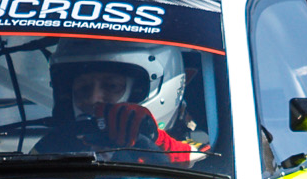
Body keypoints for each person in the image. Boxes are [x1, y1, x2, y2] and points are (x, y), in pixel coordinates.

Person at [42, 40, 207, 160]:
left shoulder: (200, 154)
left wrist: (156, 141)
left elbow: (202, 164)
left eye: (111, 86)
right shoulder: (54, 150)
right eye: (83, 88)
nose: (93, 99)